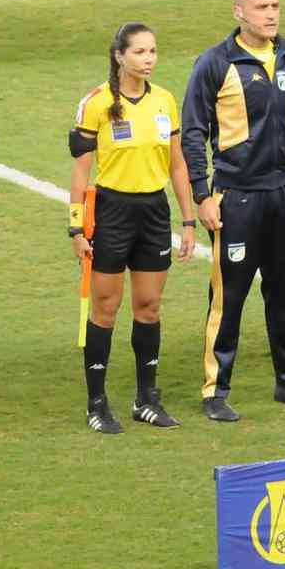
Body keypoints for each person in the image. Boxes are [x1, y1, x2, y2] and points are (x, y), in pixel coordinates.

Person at [182, 0, 285, 421]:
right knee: (230, 297)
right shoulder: (215, 63)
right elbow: (193, 134)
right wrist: (204, 195)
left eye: (276, 5)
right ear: (239, 13)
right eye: (261, 6)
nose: (271, 13)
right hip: (238, 198)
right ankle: (215, 390)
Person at [68, 22, 196, 434]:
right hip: (112, 212)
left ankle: (146, 399)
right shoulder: (97, 103)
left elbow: (177, 164)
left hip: (153, 213)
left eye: (153, 51)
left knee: (149, 306)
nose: (149, 59)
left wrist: (188, 220)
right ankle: (97, 403)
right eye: (140, 52)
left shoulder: (165, 101)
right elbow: (81, 169)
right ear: (119, 56)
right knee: (105, 309)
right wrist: (76, 229)